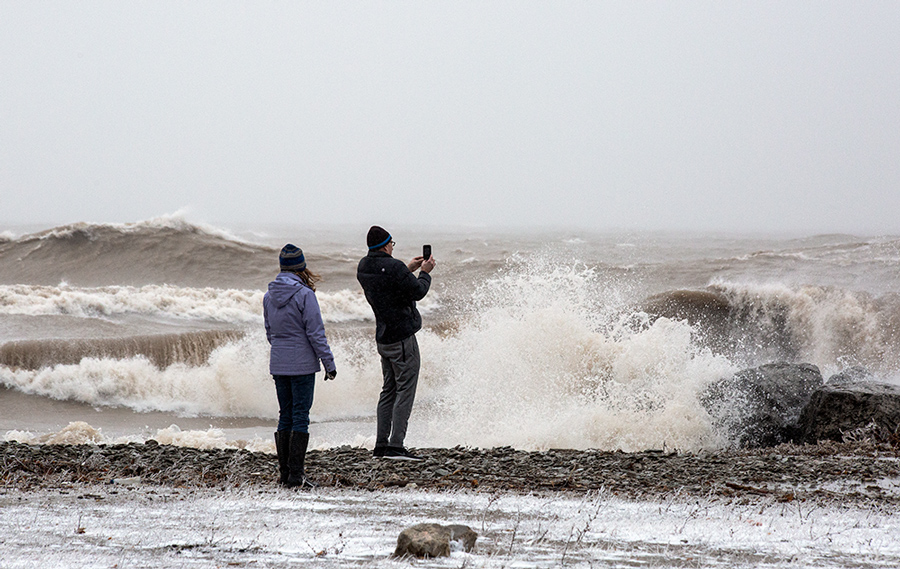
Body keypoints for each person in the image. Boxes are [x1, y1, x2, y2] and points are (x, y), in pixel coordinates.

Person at [356, 226, 436, 460]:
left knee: (388, 390)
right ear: (386, 245)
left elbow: (390, 284)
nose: (393, 247)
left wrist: (408, 269)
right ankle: (396, 446)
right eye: (392, 243)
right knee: (405, 390)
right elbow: (418, 291)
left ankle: (381, 445)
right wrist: (425, 272)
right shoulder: (394, 267)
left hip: (383, 337)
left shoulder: (363, 266)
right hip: (402, 339)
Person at [264, 244, 337, 488]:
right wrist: (329, 363)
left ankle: (285, 474)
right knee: (300, 417)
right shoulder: (306, 295)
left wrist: (282, 354)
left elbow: (270, 332)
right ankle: (297, 475)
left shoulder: (268, 296)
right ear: (301, 267)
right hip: (303, 365)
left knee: (284, 415)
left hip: (279, 363)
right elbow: (316, 333)